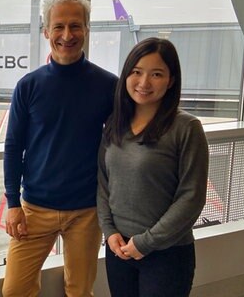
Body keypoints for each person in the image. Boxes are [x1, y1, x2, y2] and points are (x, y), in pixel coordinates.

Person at [2, 0, 118, 297]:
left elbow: (125, 140)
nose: (67, 35)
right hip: (34, 209)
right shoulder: (28, 86)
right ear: (46, 32)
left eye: (75, 25)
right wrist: (13, 203)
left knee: (80, 291)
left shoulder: (107, 86)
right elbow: (13, 146)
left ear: (86, 29)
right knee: (14, 290)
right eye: (59, 27)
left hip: (86, 210)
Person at [97, 37, 209, 297]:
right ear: (126, 75)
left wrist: (146, 242)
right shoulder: (116, 124)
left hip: (166, 254)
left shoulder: (186, 128)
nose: (144, 83)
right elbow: (104, 183)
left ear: (170, 81)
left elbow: (191, 198)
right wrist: (109, 231)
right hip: (119, 249)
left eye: (156, 74)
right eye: (136, 72)